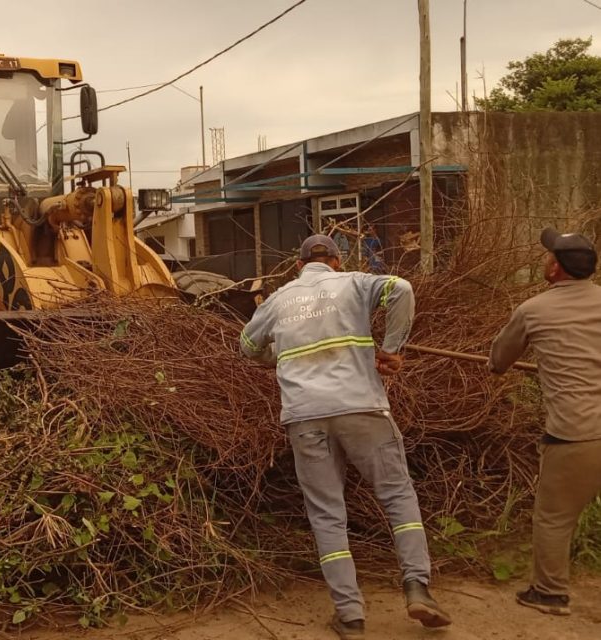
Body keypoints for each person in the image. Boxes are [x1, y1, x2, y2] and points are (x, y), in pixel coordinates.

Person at [239, 234, 451, 639]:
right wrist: (391, 349)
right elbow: (401, 288)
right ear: (336, 261)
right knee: (397, 495)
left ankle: (350, 615)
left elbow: (247, 345)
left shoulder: (280, 299)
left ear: (299, 267)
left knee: (326, 513)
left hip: (304, 417)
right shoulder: (354, 282)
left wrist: (279, 355)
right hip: (362, 408)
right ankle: (417, 588)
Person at [489, 227, 601, 616]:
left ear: (555, 268)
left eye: (547, 255)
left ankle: (550, 593)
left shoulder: (533, 310)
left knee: (554, 517)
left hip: (577, 432)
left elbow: (499, 362)